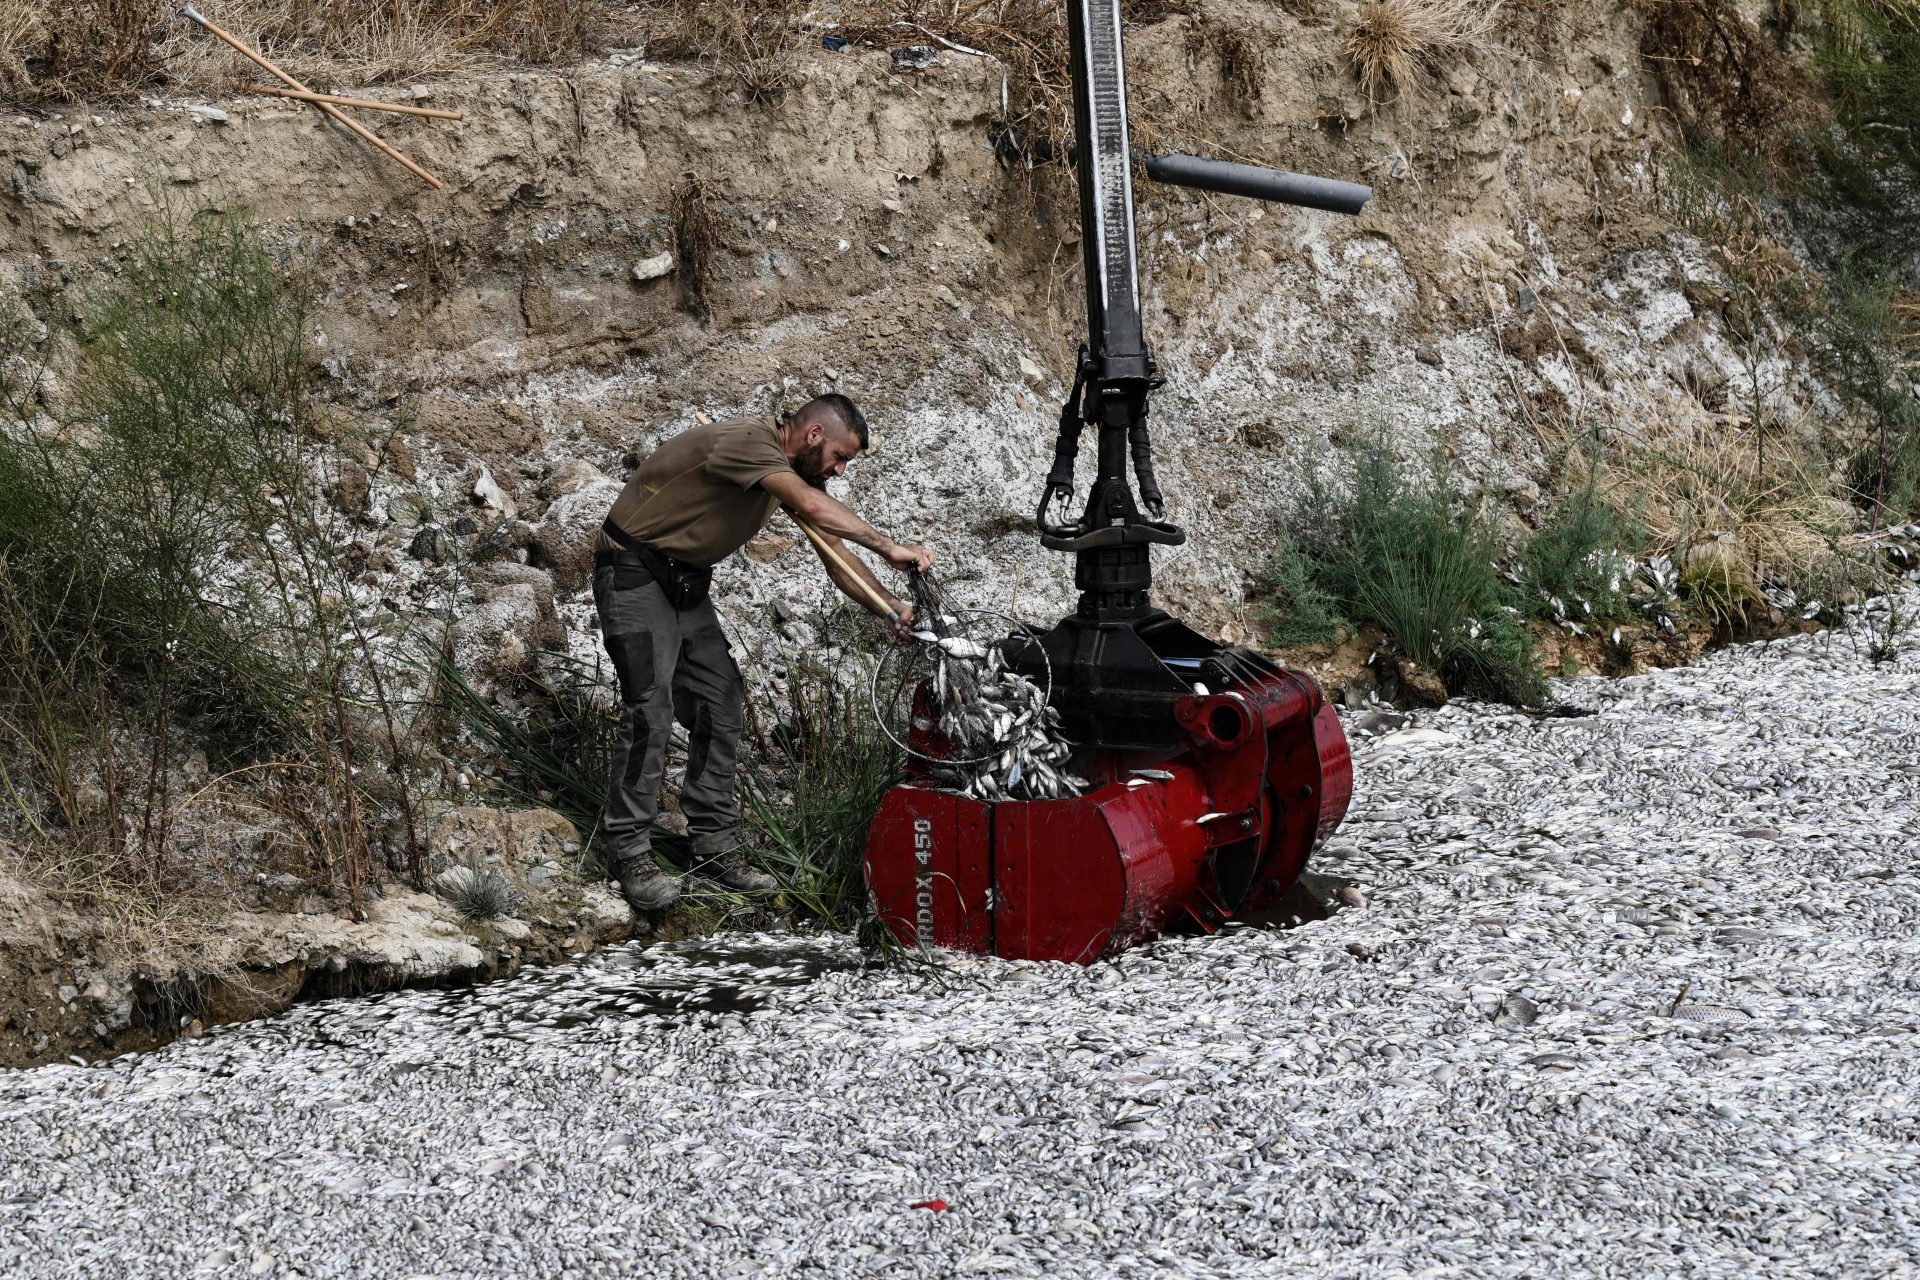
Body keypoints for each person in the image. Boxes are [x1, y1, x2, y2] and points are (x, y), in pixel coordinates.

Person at [592, 394, 933, 912]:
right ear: (814, 435)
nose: (839, 471)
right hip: (635, 572)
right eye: (840, 458)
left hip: (685, 583)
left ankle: (712, 845)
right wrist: (889, 546)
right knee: (651, 709)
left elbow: (834, 556)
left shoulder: (789, 474)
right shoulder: (751, 443)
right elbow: (819, 508)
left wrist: (889, 608)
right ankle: (629, 852)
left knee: (721, 703)